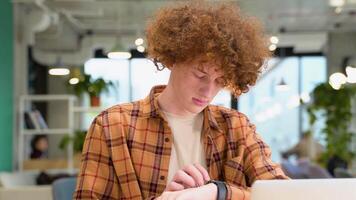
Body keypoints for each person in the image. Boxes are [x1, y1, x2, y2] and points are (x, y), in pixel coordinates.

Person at [74, 1, 288, 200]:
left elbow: (283, 194)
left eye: (220, 81)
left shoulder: (236, 127)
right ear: (172, 59)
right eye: (200, 74)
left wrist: (218, 192)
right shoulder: (112, 126)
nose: (208, 90)